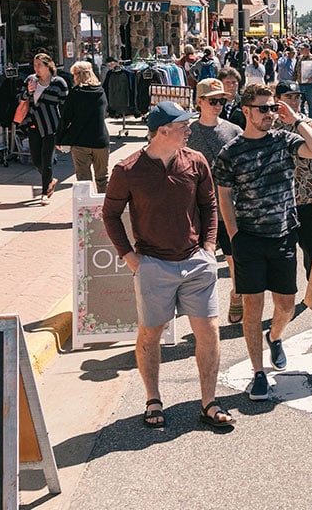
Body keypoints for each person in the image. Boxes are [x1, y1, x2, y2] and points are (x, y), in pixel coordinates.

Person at [102, 101, 235, 431]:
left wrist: (207, 248)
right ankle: (153, 399)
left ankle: (209, 402)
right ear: (162, 132)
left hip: (195, 263)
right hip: (153, 265)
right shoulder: (127, 170)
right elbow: (109, 214)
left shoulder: (196, 162)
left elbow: (209, 207)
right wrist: (130, 258)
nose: (189, 131)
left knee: (208, 332)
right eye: (183, 126)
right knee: (151, 334)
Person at [214, 84, 312, 401]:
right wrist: (235, 235)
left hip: (282, 236)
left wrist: (295, 119)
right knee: (252, 310)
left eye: (272, 108)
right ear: (247, 111)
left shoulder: (283, 140)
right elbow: (224, 197)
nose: (269, 114)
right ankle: (258, 373)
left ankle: (275, 336)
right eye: (263, 108)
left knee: (286, 306)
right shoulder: (231, 152)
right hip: (249, 240)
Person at [186, 78, 244, 323]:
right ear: (199, 102)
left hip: (230, 207)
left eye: (222, 100)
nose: (218, 104)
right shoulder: (187, 132)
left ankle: (237, 294)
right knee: (198, 261)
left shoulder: (233, 130)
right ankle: (200, 311)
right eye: (213, 101)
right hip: (198, 208)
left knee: (234, 258)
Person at [274, 81, 312, 283]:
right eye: (289, 97)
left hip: (308, 200)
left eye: (297, 97)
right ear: (278, 100)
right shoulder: (270, 127)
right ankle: (286, 294)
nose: (294, 102)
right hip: (280, 203)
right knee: (283, 255)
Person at [20, 53, 68, 205]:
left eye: (39, 65)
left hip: (51, 126)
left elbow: (66, 105)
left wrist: (65, 128)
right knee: (36, 160)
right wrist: (28, 91)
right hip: (34, 125)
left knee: (46, 160)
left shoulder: (59, 83)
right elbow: (21, 99)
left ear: (48, 66)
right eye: (35, 65)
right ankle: (50, 180)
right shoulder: (30, 80)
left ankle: (44, 192)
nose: (36, 69)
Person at [58, 61, 110, 194]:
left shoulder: (76, 93)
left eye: (73, 75)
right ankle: (105, 210)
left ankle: (87, 212)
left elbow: (65, 118)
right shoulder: (100, 91)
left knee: (83, 180)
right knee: (102, 178)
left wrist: (59, 139)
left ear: (77, 75)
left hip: (81, 142)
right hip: (101, 140)